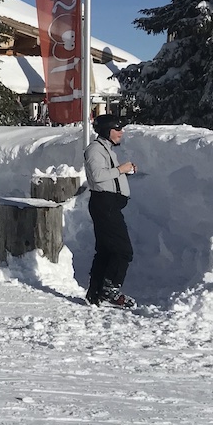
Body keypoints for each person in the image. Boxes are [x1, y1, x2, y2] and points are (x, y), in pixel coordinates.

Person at [83, 114, 137, 308]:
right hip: (104, 204)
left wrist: (124, 172)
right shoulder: (95, 150)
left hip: (109, 203)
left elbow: (108, 177)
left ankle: (95, 292)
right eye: (118, 129)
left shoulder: (106, 150)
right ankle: (110, 289)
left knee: (105, 250)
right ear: (107, 130)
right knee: (123, 251)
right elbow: (97, 176)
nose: (121, 133)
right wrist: (121, 170)